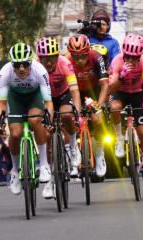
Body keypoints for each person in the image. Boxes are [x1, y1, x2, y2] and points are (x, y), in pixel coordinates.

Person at [0, 43, 54, 197]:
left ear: (31, 62)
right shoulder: (5, 73)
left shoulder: (40, 71)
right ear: (11, 64)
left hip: (34, 97)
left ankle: (44, 164)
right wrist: (0, 121)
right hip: (15, 99)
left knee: (35, 121)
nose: (21, 68)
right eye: (17, 65)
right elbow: (2, 103)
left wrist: (48, 119)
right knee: (15, 134)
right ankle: (15, 171)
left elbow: (48, 102)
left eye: (25, 64)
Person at [108, 33, 143, 188]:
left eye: (134, 58)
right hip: (120, 92)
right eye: (128, 56)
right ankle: (119, 138)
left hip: (137, 93)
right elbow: (110, 89)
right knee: (114, 108)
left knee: (142, 132)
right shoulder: (116, 61)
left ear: (139, 55)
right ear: (124, 53)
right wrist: (121, 77)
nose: (130, 61)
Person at [35, 37, 82, 180]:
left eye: (52, 58)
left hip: (63, 94)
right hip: (44, 98)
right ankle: (47, 170)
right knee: (46, 134)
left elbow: (74, 91)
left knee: (66, 115)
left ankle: (73, 147)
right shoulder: (35, 66)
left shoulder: (65, 64)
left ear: (57, 56)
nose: (48, 62)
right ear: (39, 58)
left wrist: (77, 113)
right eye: (45, 59)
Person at [67, 34, 109, 178]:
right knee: (67, 118)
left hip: (93, 92)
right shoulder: (66, 61)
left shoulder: (96, 57)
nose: (79, 60)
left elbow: (105, 85)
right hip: (74, 91)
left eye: (83, 56)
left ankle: (99, 155)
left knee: (97, 119)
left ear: (88, 51)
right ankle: (71, 156)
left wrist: (100, 105)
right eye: (75, 56)